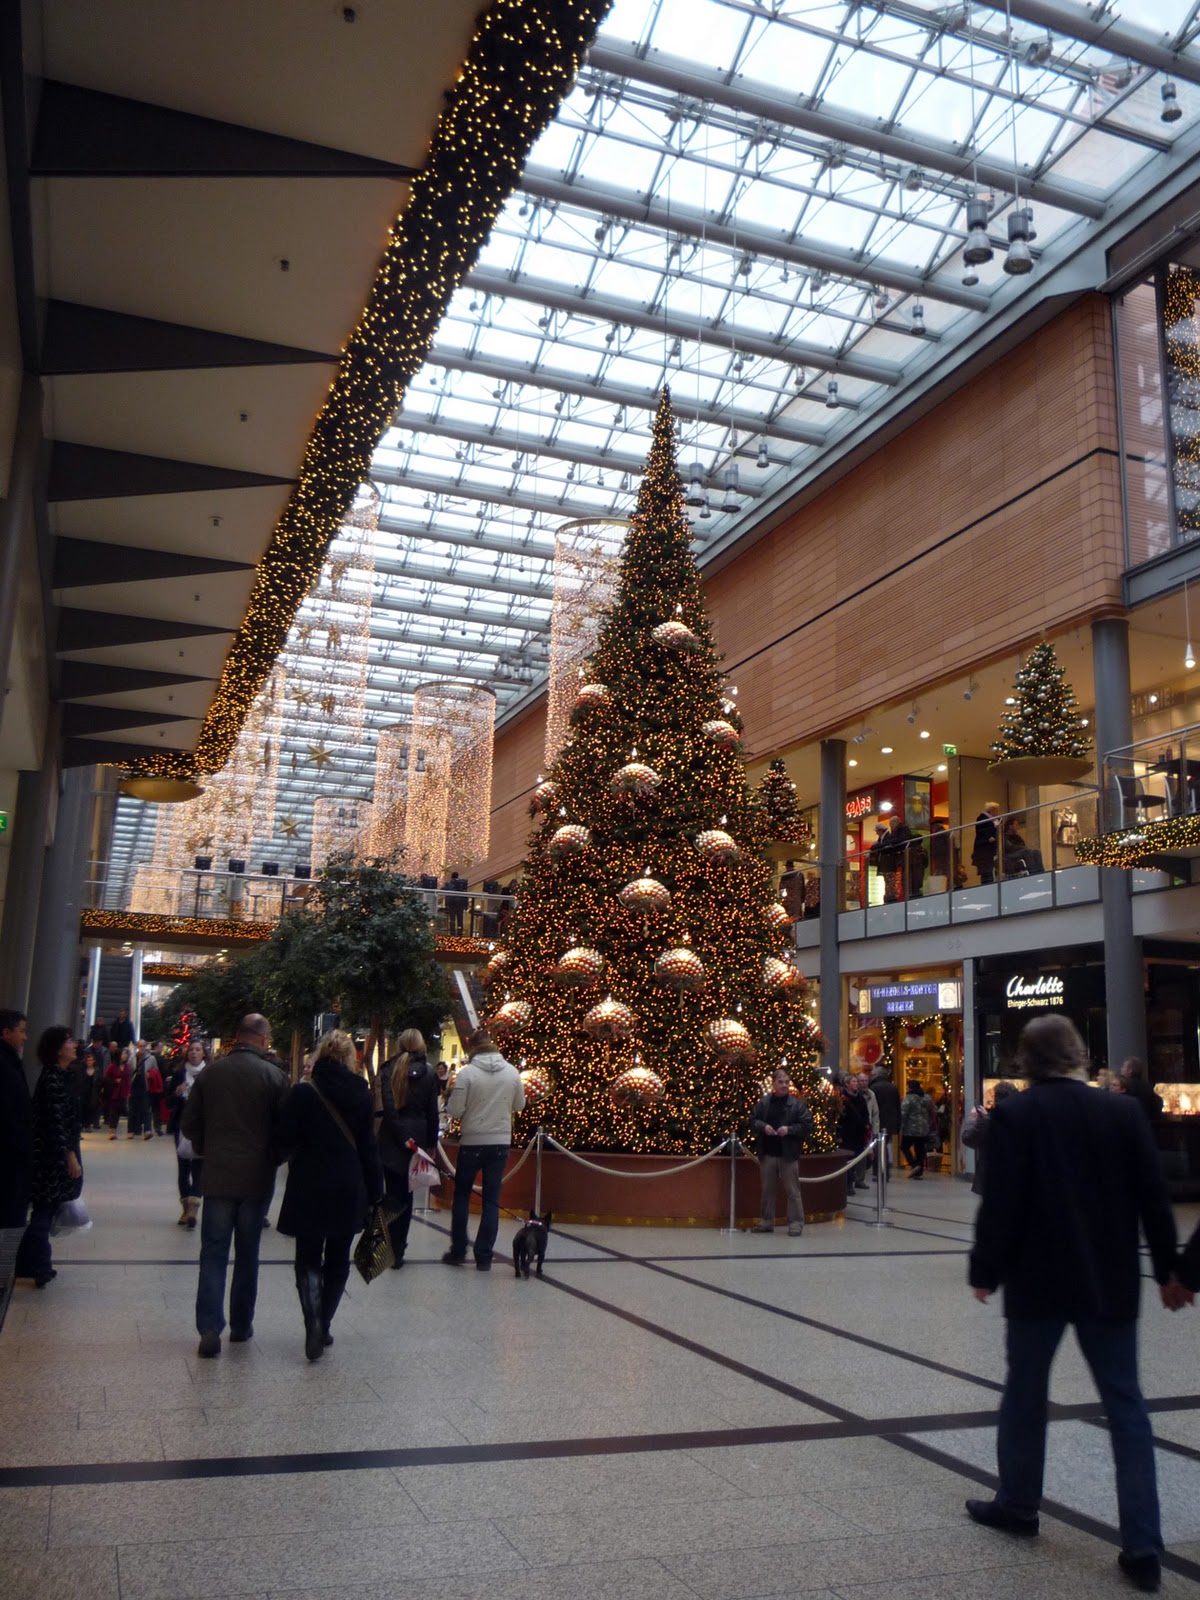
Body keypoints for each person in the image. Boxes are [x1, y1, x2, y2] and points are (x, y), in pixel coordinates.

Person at [966, 1015, 1180, 1594]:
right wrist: (1170, 1272)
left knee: (1025, 1395)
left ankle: (1018, 1504)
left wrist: (985, 1268)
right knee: (1126, 1406)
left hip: (1037, 1284)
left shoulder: (1016, 1115)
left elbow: (1001, 1201)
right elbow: (1153, 1199)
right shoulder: (1122, 1112)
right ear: (1079, 1054)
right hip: (1109, 1282)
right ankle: (1142, 1545)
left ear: (1026, 1060)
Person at [181, 1013, 289, 1358]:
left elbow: (189, 1124)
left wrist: (208, 1148)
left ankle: (209, 1328)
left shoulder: (211, 1074)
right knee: (247, 1253)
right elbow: (286, 1132)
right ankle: (241, 1326)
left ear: (238, 1036)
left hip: (217, 1175)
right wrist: (273, 1158)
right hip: (256, 1179)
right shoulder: (275, 1077)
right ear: (264, 1039)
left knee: (213, 1253)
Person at [277, 1030, 382, 1361]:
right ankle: (324, 1323)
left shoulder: (303, 1093)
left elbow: (284, 1139)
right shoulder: (362, 1094)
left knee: (308, 1257)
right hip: (348, 1185)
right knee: (338, 1258)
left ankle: (312, 1321)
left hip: (309, 1183)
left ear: (320, 1055)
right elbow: (368, 1148)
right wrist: (376, 1192)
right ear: (351, 1057)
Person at [443, 1027, 525, 1271]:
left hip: (472, 1142)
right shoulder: (511, 1072)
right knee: (491, 1199)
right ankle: (484, 1256)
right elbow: (519, 1105)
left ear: (472, 1048)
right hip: (500, 1142)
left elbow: (455, 1110)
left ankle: (459, 1250)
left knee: (462, 1195)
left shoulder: (467, 1074)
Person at [15, 1027, 83, 1289]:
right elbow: (56, 1121)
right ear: (57, 1049)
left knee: (45, 1209)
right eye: (69, 1041)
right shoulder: (53, 1079)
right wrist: (69, 1155)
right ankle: (40, 1266)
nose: (74, 1045)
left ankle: (29, 1263)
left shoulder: (60, 1076)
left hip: (53, 1154)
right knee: (44, 1210)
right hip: (50, 1158)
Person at [378, 1027, 440, 1268]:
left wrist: (400, 1134)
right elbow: (432, 1112)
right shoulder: (429, 1074)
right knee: (408, 1194)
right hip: (418, 1137)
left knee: (392, 1194)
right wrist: (431, 1143)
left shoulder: (389, 1070)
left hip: (391, 1138)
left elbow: (389, 1108)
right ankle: (399, 1249)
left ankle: (389, 1246)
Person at [750, 1067, 813, 1236]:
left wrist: (790, 1129)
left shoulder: (797, 1105)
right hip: (768, 1154)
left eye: (786, 1082)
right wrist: (764, 1127)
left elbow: (807, 1125)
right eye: (780, 1082)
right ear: (773, 1084)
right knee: (767, 1191)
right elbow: (753, 1120)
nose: (784, 1085)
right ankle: (766, 1222)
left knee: (793, 1192)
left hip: (788, 1155)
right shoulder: (764, 1104)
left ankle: (795, 1224)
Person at [168, 1040, 207, 1227]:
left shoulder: (209, 1073)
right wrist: (176, 1094)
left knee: (199, 1165)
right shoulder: (179, 1074)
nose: (194, 1052)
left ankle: (193, 1207)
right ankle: (185, 1206)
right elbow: (167, 1102)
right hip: (181, 1124)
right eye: (191, 1049)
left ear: (204, 1053)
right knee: (183, 1165)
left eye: (198, 1049)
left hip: (202, 1125)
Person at [0, 1009, 32, 1232]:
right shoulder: (5, 1065)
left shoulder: (11, 1062)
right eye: (21, 1031)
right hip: (9, 1155)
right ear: (6, 1032)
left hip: (13, 1154)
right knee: (11, 1217)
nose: (25, 1037)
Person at [961, 1079, 1019, 1196]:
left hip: (992, 1175)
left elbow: (968, 1139)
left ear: (996, 1098)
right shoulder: (1023, 1118)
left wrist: (973, 1119)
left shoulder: (987, 1122)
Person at [837, 1072, 871, 1190]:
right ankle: (849, 1183)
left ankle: (859, 1180)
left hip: (859, 1133)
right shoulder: (842, 1098)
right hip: (848, 1133)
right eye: (854, 1082)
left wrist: (866, 1124)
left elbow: (865, 1112)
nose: (857, 1084)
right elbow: (840, 1116)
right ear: (847, 1084)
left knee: (860, 1156)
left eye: (856, 1081)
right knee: (849, 1158)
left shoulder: (860, 1097)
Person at [869, 1064, 900, 1176]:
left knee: (878, 1147)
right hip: (890, 1123)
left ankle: (879, 1171)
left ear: (876, 1075)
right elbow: (897, 1107)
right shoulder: (893, 1088)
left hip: (878, 1121)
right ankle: (884, 1171)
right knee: (883, 1145)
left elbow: (872, 1107)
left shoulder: (873, 1088)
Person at [900, 1077, 934, 1177]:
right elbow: (933, 1111)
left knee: (904, 1146)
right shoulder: (927, 1098)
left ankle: (914, 1165)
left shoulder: (909, 1098)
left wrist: (900, 1126)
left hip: (911, 1128)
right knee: (920, 1149)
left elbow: (903, 1113)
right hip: (924, 1128)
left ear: (910, 1087)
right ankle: (919, 1170)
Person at [1117, 1058, 1163, 1126]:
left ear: (1130, 1070)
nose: (1121, 1069)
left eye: (1123, 1066)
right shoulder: (1147, 1086)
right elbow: (1158, 1101)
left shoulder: (1126, 1087)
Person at [104, 1048, 131, 1138]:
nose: (125, 1056)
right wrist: (114, 1080)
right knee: (113, 1111)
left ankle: (115, 1129)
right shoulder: (112, 1066)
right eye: (124, 1054)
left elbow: (128, 1080)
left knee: (119, 1110)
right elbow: (106, 1078)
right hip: (114, 1092)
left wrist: (128, 1091)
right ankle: (112, 1130)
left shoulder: (126, 1066)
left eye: (126, 1054)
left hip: (123, 1092)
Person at [858, 1072, 881, 1180]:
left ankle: (860, 1177)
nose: (864, 1083)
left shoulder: (871, 1094)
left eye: (866, 1081)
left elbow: (875, 1113)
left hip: (868, 1127)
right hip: (856, 1127)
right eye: (862, 1081)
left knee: (867, 1153)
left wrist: (875, 1130)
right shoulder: (854, 1094)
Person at [972, 801, 1000, 884]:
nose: (997, 812)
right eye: (996, 810)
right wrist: (990, 837)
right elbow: (982, 831)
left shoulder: (995, 819)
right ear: (991, 810)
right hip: (983, 850)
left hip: (991, 849)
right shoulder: (982, 818)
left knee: (990, 868)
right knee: (986, 870)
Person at [127, 1045, 151, 1140]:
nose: (142, 1048)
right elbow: (128, 1072)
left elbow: (156, 1070)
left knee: (146, 1109)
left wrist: (150, 1075)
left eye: (143, 1046)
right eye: (140, 1046)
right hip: (134, 1085)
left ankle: (147, 1130)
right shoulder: (132, 1058)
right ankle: (131, 1130)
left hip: (145, 1086)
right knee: (132, 1109)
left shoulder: (151, 1058)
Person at [145, 1046, 165, 1135]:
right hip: (157, 1089)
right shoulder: (160, 1059)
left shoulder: (147, 1059)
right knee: (156, 1108)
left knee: (148, 1108)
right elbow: (164, 1072)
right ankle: (157, 1127)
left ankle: (147, 1128)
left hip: (148, 1087)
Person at [441, 870, 468, 934]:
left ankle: (452, 931)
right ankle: (460, 931)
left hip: (451, 903)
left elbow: (443, 889)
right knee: (460, 917)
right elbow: (465, 893)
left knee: (452, 918)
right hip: (460, 903)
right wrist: (466, 904)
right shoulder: (462, 883)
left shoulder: (449, 883)